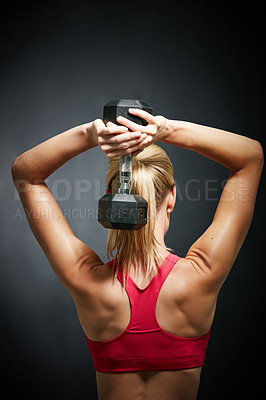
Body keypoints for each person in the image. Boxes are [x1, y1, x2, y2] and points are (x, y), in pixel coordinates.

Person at [11, 107, 263, 400]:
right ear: (171, 197)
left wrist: (91, 134)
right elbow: (251, 158)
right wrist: (165, 130)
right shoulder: (202, 274)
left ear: (110, 193)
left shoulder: (86, 281)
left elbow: (25, 174)